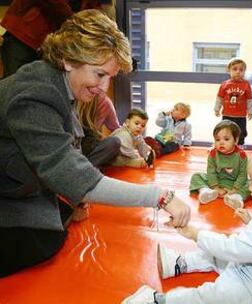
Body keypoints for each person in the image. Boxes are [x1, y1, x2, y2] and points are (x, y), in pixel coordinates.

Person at [0, 9, 190, 278]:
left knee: (55, 224)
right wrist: (159, 196)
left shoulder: (60, 83)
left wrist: (73, 192)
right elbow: (73, 174)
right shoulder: (35, 94)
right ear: (68, 60)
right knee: (42, 242)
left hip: (18, 183)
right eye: (100, 75)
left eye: (110, 77)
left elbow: (70, 150)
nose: (104, 86)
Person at [121, 136, 252, 304]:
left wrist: (195, 233)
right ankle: (181, 263)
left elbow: (234, 247)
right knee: (221, 255)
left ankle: (160, 301)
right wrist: (251, 222)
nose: (249, 188)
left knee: (212, 296)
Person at [0, 0, 114, 78]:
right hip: (25, 36)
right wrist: (76, 20)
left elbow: (93, 9)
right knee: (14, 89)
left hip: (52, 44)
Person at [189, 120, 250, 209]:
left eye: (226, 139)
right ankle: (205, 191)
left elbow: (242, 174)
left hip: (234, 184)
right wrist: (216, 187)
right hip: (217, 182)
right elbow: (211, 172)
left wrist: (234, 189)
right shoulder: (213, 153)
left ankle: (237, 197)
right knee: (196, 176)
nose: (221, 142)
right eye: (217, 139)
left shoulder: (242, 155)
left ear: (236, 140)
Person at [214, 58, 252, 146]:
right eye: (235, 69)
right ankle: (225, 145)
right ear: (229, 70)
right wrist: (217, 109)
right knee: (225, 131)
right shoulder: (225, 84)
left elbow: (249, 99)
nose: (238, 72)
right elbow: (219, 98)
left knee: (241, 131)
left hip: (240, 115)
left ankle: (240, 146)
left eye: (241, 70)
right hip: (227, 114)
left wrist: (250, 111)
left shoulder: (246, 84)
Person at [79, 93, 122, 167]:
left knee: (115, 142)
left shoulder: (105, 102)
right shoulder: (77, 98)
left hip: (91, 145)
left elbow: (116, 129)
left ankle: (86, 167)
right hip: (75, 144)